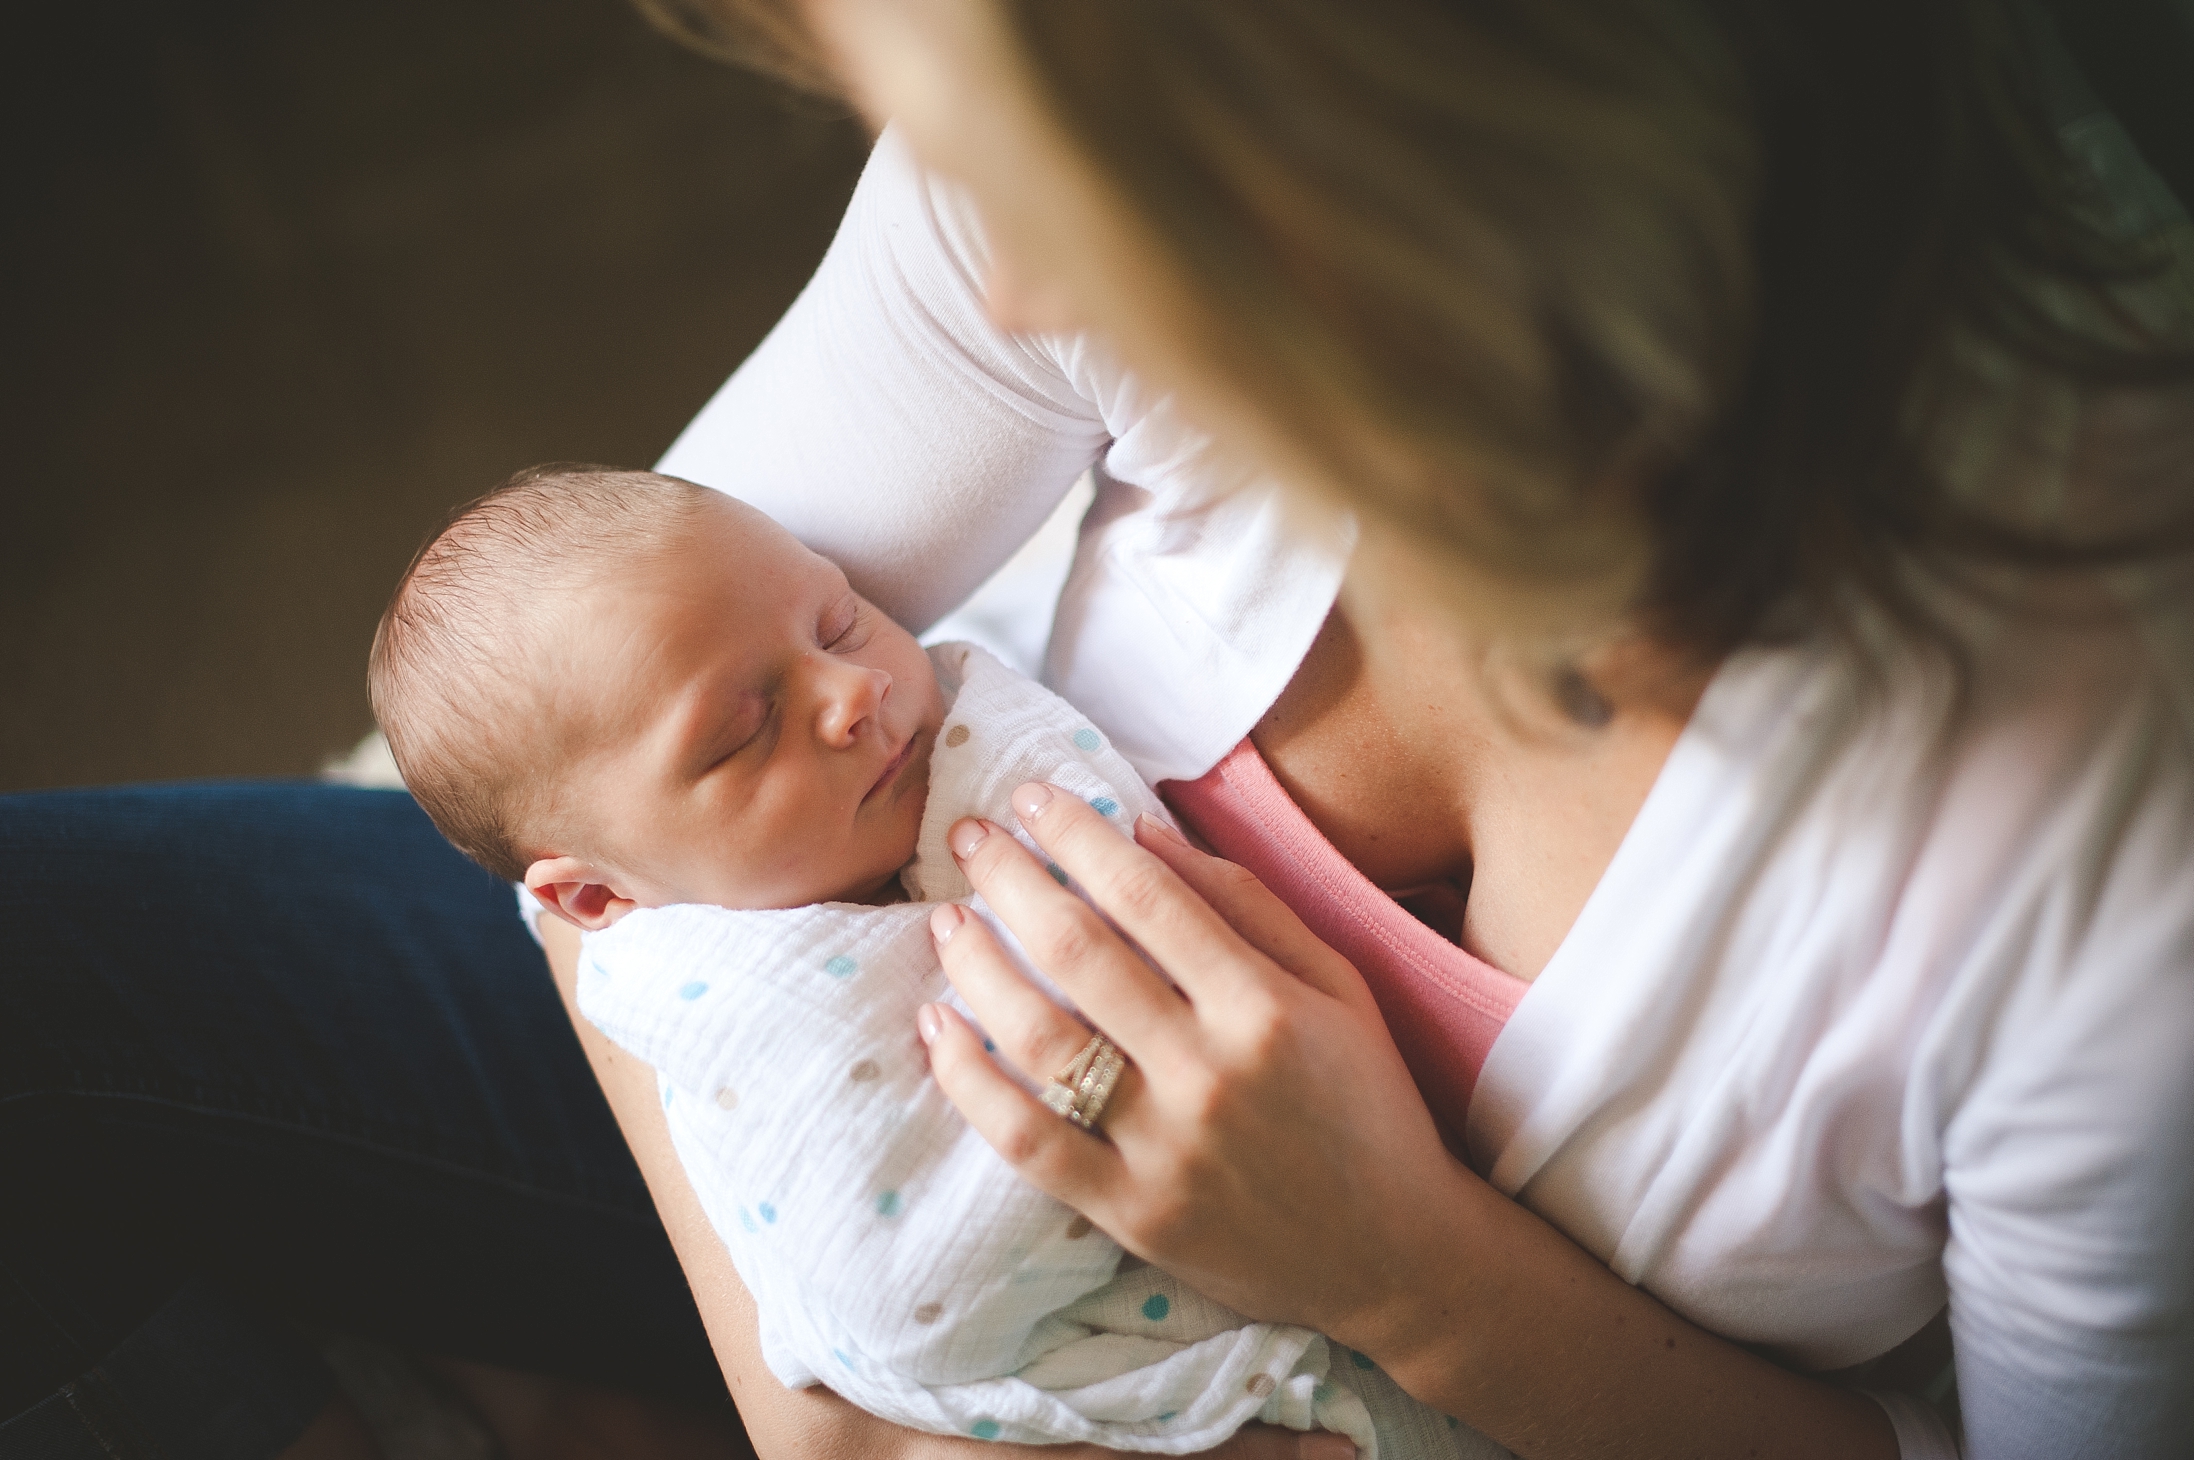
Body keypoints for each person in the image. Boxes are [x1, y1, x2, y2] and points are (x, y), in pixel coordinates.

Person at [3, 4, 2189, 1460]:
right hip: (816, 1127)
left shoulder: (2104, 877)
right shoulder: (1073, 138)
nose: (1008, 290)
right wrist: (814, 1390)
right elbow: (593, 774)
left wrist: (1395, 1269)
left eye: (1009, 168)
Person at [367, 463, 1441, 1455]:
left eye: (840, 619)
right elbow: (897, 1295)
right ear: (597, 894)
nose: (852, 692)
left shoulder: (978, 747)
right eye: (743, 734)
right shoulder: (711, 990)